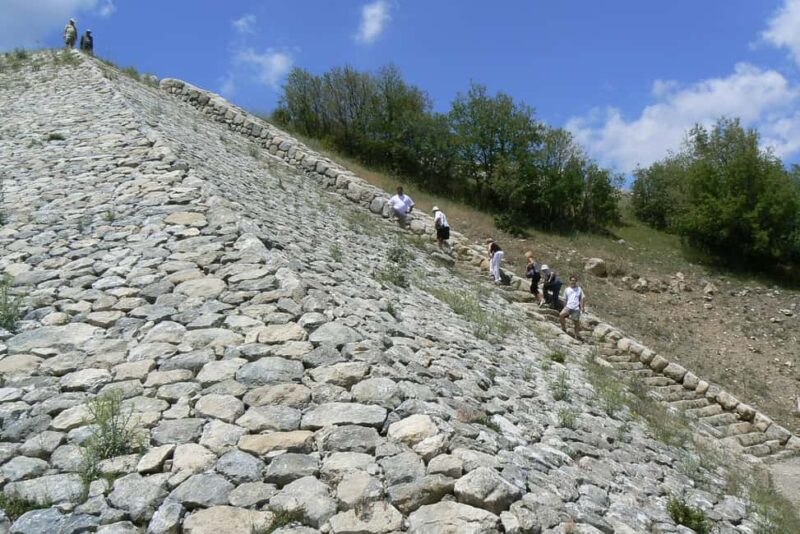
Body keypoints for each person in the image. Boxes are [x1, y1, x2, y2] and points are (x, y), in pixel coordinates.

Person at [559, 275, 586, 339]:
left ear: (576, 281)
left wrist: (582, 307)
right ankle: (563, 328)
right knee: (561, 315)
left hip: (576, 308)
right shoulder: (567, 289)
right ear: (570, 281)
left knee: (576, 322)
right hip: (568, 306)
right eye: (572, 280)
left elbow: (583, 298)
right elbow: (564, 299)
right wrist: (564, 307)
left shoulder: (579, 289)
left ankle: (577, 335)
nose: (573, 282)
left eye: (574, 280)